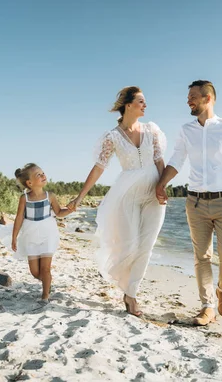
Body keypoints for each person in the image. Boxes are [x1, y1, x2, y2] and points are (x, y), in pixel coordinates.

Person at [156, 80, 222, 326]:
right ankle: (207, 306)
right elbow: (176, 160)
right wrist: (161, 183)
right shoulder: (186, 130)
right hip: (195, 202)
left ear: (208, 98)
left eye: (193, 97)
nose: (188, 101)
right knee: (202, 257)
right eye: (189, 97)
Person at [68, 86, 167, 317]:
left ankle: (131, 295)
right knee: (131, 246)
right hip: (127, 195)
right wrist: (80, 197)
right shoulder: (112, 137)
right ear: (128, 105)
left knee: (147, 246)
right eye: (141, 101)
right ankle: (126, 286)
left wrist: (162, 186)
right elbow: (99, 168)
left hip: (154, 194)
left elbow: (160, 161)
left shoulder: (152, 130)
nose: (145, 105)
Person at [3, 163, 74, 301]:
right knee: (35, 272)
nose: (43, 176)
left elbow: (59, 212)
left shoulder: (50, 196)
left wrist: (70, 209)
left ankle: (45, 295)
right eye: (38, 175)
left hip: (48, 233)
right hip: (31, 235)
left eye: (43, 173)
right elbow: (19, 218)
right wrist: (14, 237)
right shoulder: (25, 198)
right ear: (29, 182)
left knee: (46, 269)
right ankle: (47, 282)